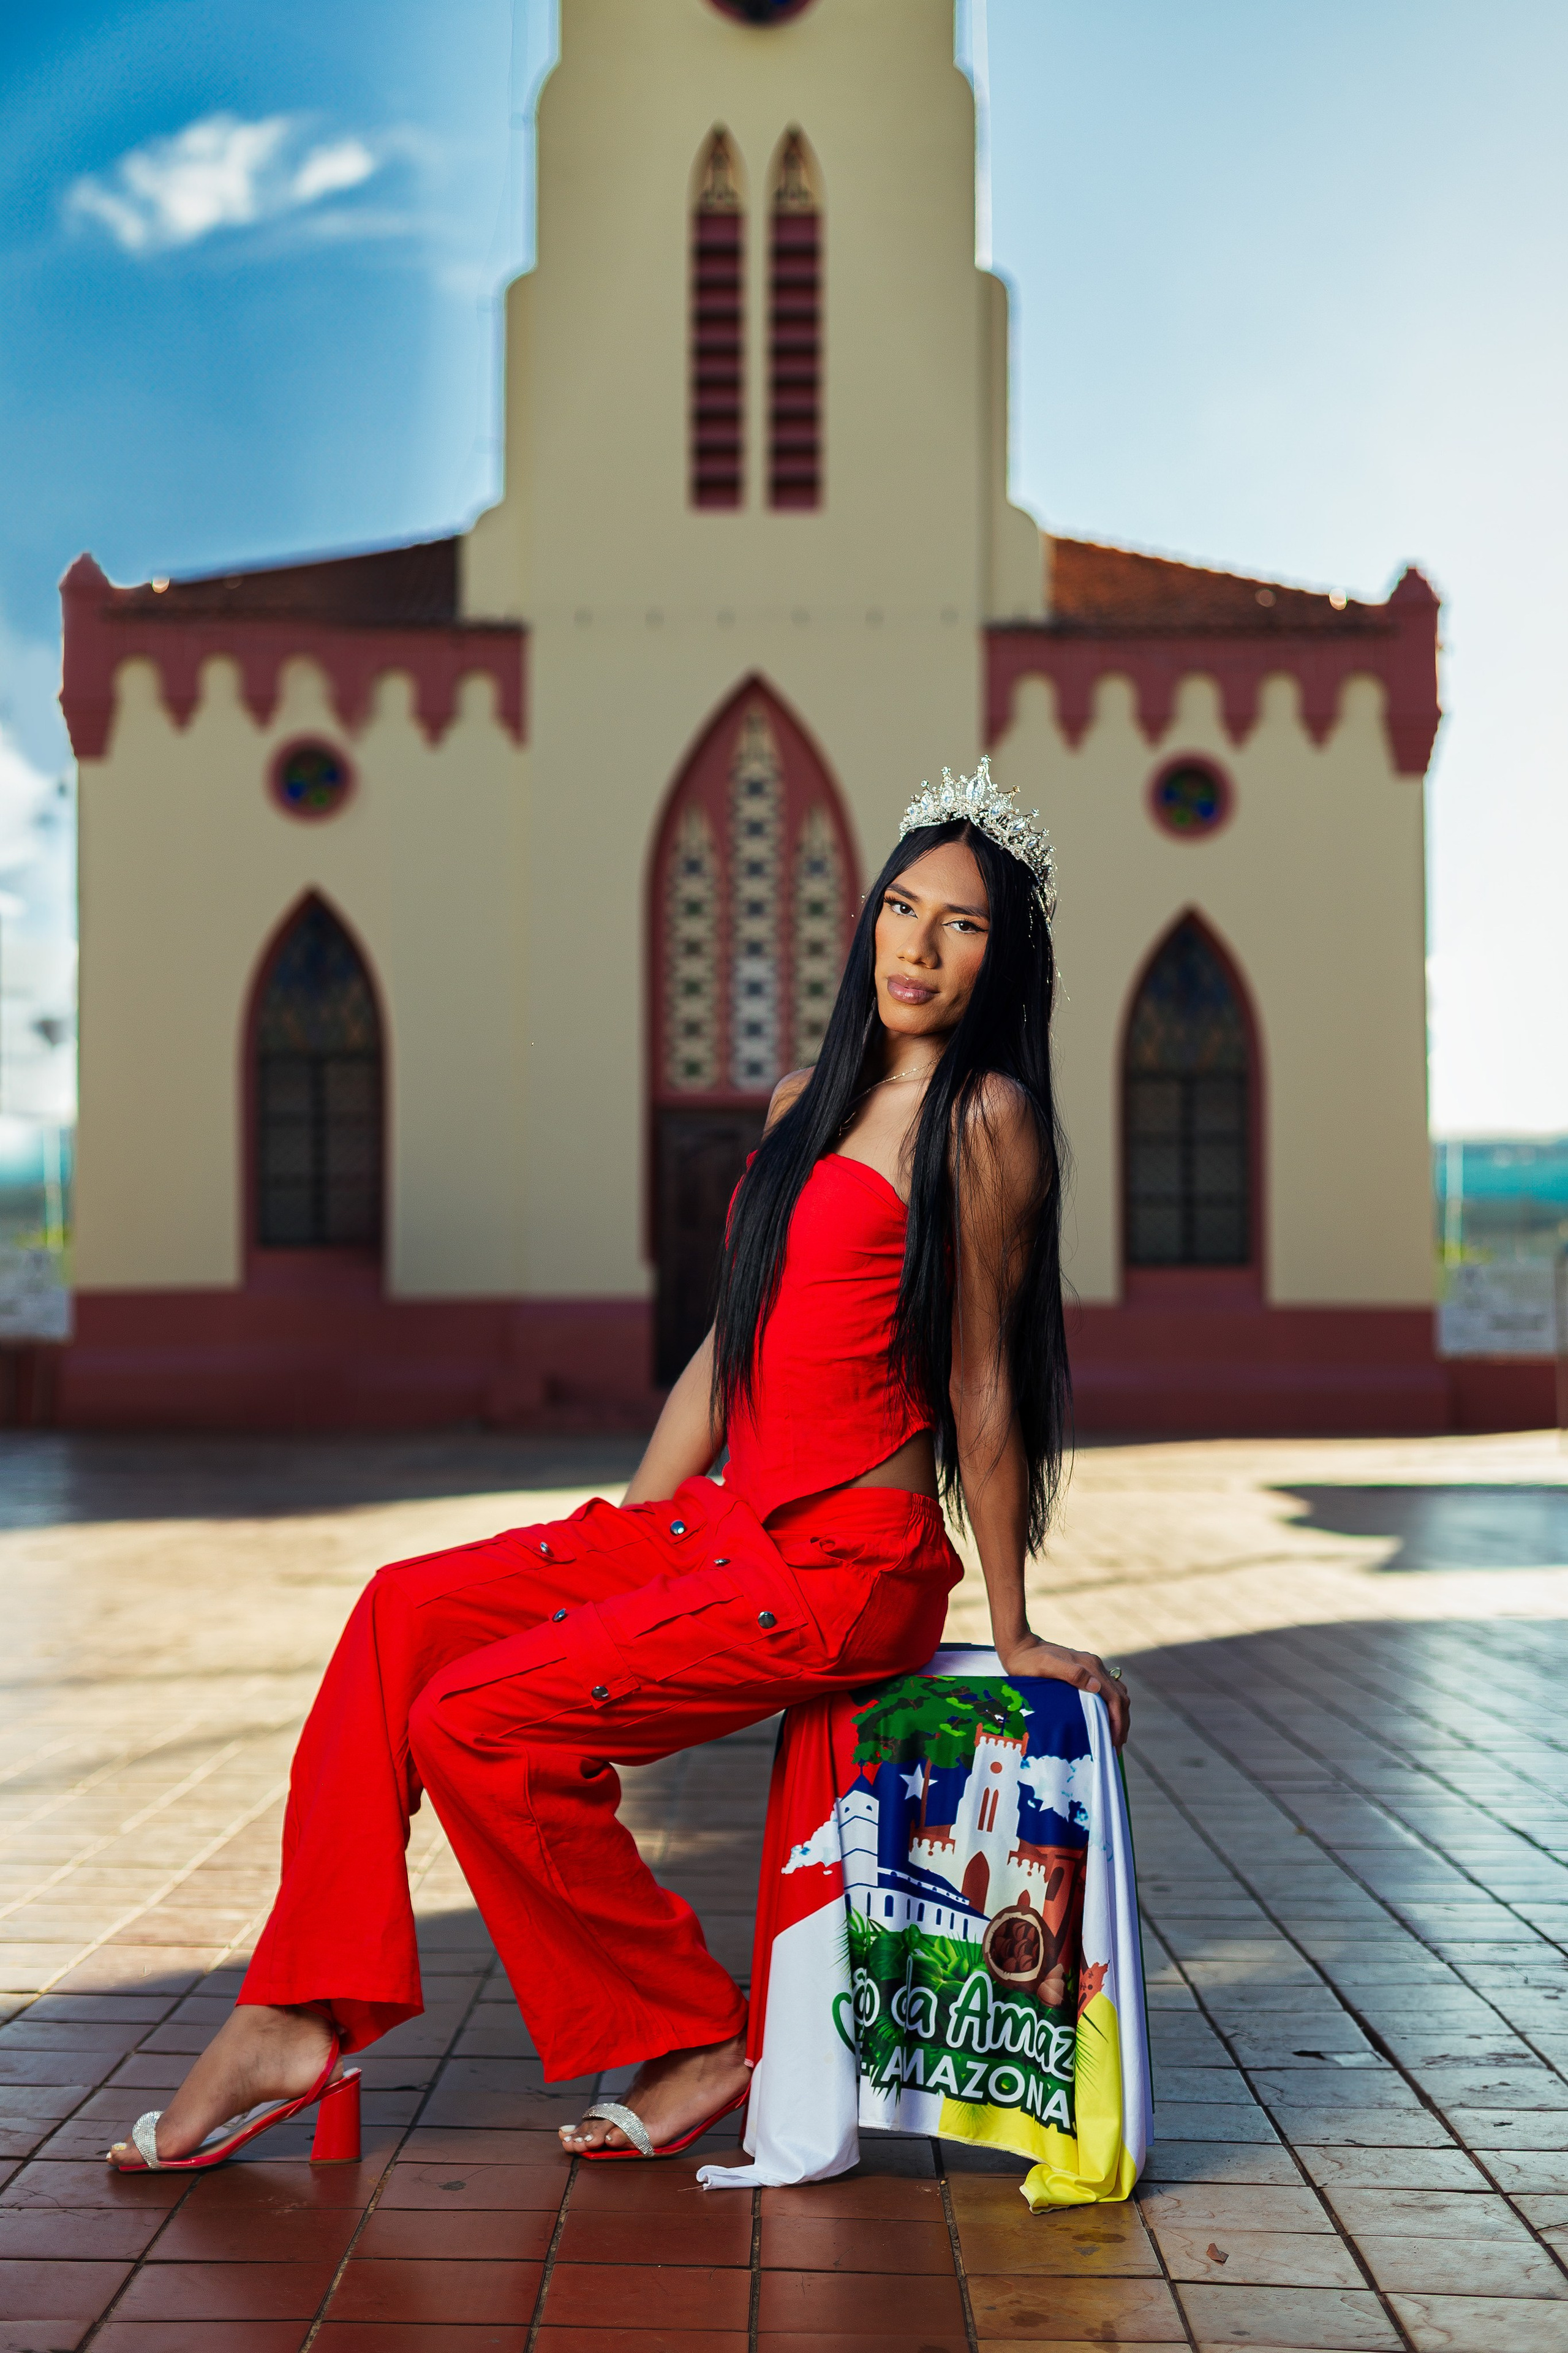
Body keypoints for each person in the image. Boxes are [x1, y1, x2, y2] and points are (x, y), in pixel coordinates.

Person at [108, 760, 1129, 2173]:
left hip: (847, 1565)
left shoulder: (982, 1123)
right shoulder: (793, 1105)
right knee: (401, 1614)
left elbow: (980, 1384)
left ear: (999, 955)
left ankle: (693, 2029)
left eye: (958, 924)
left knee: (473, 1723)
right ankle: (294, 2008)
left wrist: (1010, 1622)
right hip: (719, 1529)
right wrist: (636, 1538)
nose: (916, 944)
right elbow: (727, 1350)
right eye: (900, 908)